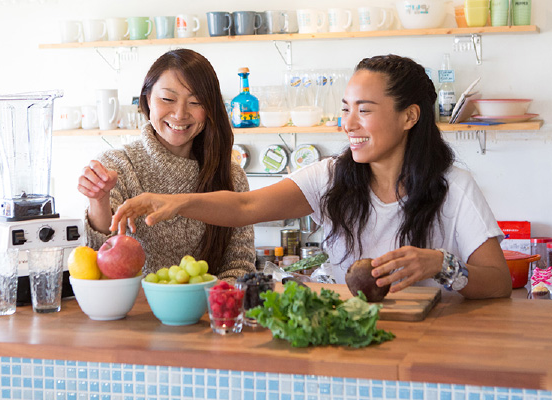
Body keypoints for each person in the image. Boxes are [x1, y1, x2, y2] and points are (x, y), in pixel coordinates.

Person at [109, 54, 512, 300]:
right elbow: (247, 206)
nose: (347, 123)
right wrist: (178, 202)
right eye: (345, 108)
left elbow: (497, 282)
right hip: (346, 335)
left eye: (364, 110)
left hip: (430, 339)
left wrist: (438, 264)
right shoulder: (331, 177)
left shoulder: (453, 187)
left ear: (409, 116)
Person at [78, 48, 256, 281]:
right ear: (147, 98)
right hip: (134, 312)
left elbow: (239, 266)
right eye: (168, 99)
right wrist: (98, 199)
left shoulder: (230, 175)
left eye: (195, 102)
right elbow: (100, 256)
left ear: (210, 109)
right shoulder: (117, 165)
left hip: (207, 312)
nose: (180, 114)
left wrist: (207, 305)